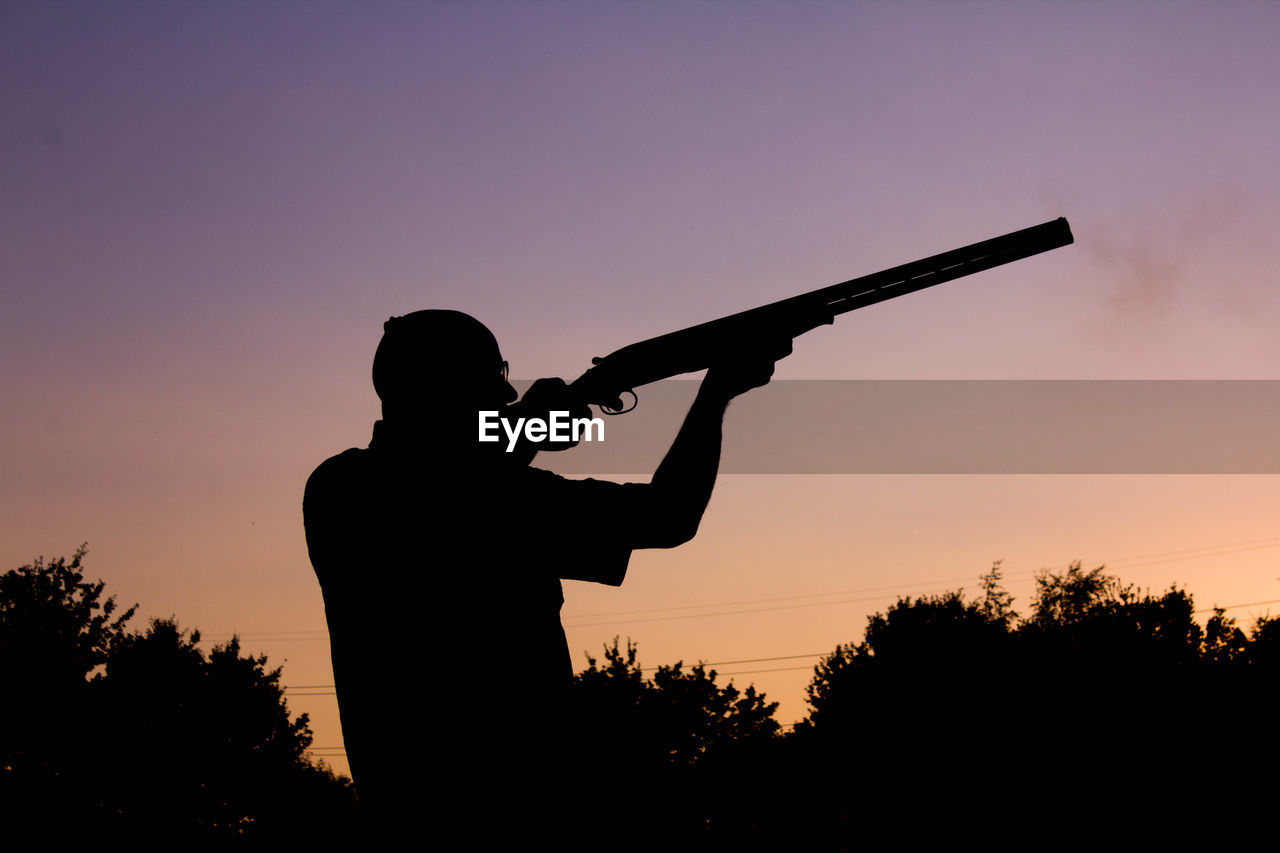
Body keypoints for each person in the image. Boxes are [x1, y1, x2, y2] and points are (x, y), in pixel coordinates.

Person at [302, 309, 789, 839]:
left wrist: (716, 391)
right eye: (495, 379)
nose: (508, 397)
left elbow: (668, 516)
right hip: (454, 809)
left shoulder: (493, 490)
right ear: (444, 386)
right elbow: (443, 497)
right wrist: (714, 393)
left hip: (507, 804)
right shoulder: (350, 487)